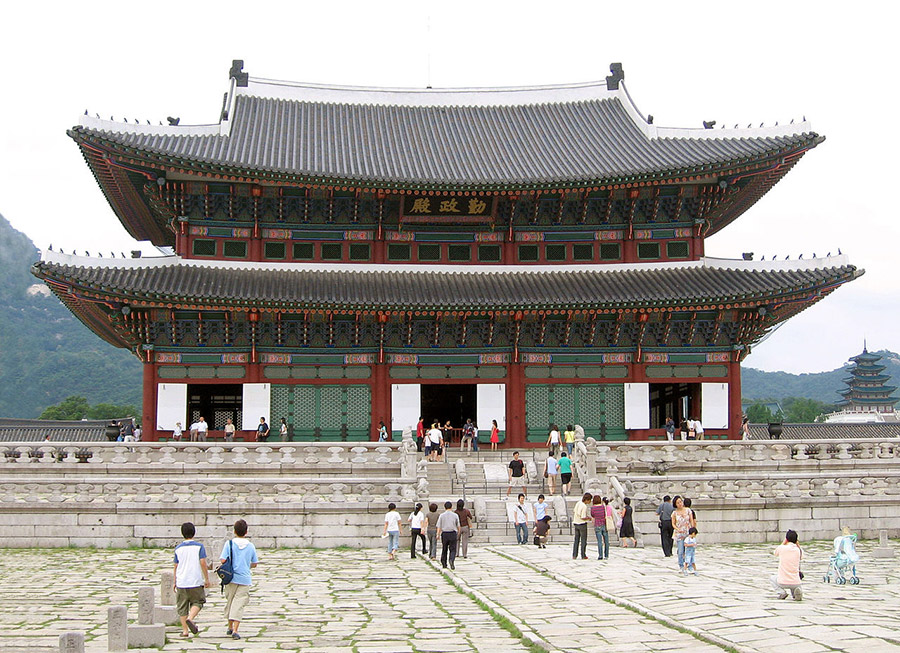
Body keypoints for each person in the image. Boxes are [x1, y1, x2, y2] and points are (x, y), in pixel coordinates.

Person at [219, 519, 258, 640]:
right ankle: (235, 629)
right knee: (239, 604)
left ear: (234, 531)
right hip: (245, 578)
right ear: (246, 532)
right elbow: (255, 563)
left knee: (230, 601)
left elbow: (223, 560)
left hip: (230, 577)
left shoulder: (229, 544)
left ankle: (230, 626)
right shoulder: (250, 546)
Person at [173, 521, 211, 638]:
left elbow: (176, 565)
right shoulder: (199, 547)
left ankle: (185, 631)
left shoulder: (178, 548)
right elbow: (203, 562)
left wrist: (175, 581)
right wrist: (206, 578)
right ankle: (191, 618)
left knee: (182, 607)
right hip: (195, 580)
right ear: (194, 533)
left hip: (182, 581)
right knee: (198, 602)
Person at [771, 529, 803, 600]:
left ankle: (782, 592)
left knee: (772, 578)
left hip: (782, 581)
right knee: (795, 586)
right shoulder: (798, 550)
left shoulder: (781, 548)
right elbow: (802, 556)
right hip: (796, 582)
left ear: (786, 539)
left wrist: (783, 543)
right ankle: (795, 594)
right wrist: (798, 545)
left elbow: (775, 552)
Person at [671, 496, 695, 571]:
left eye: (680, 502)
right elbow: (673, 523)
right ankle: (681, 565)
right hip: (679, 534)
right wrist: (677, 529)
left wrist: (692, 530)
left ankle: (690, 565)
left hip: (688, 532)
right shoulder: (674, 513)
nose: (680, 504)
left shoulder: (688, 510)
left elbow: (691, 520)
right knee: (681, 550)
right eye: (678, 503)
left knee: (689, 550)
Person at [436, 501, 460, 569]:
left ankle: (444, 562)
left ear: (445, 507)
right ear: (451, 507)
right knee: (453, 549)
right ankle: (451, 559)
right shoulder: (455, 515)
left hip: (445, 533)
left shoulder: (442, 515)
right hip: (452, 533)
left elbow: (439, 526)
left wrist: (438, 534)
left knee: (444, 548)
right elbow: (458, 525)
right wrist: (458, 532)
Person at [572, 492, 592, 559]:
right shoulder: (584, 506)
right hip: (582, 524)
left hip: (576, 522)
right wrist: (589, 518)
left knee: (576, 540)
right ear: (587, 500)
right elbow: (583, 517)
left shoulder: (578, 503)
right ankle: (583, 555)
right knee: (583, 540)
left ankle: (574, 555)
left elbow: (574, 511)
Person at [590, 495, 609, 560]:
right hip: (604, 524)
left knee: (599, 541)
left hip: (597, 524)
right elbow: (605, 514)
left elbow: (592, 515)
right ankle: (606, 555)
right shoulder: (603, 507)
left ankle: (600, 555)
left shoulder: (593, 508)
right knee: (606, 540)